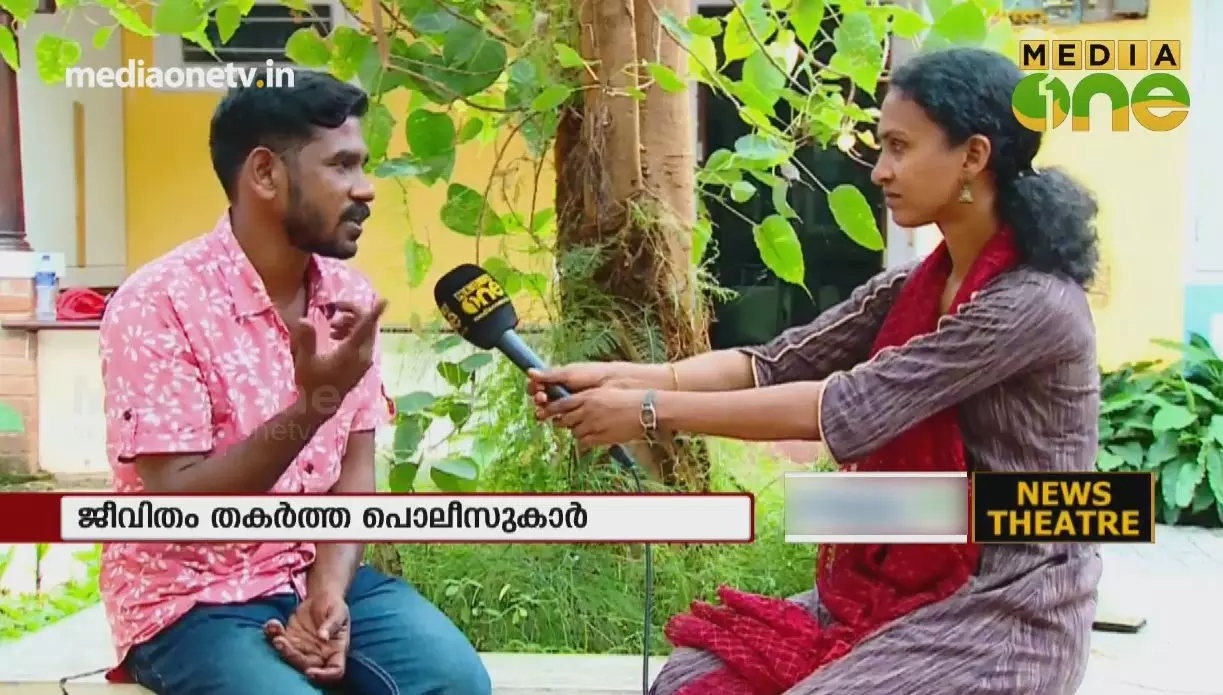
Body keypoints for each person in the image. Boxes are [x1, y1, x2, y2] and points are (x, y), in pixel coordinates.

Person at [528, 47, 1102, 695]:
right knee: (692, 678)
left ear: (972, 156)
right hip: (894, 580)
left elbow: (846, 407)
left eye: (899, 147)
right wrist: (623, 378)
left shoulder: (1032, 305)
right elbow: (771, 365)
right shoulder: (914, 286)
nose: (880, 171)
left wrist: (648, 412)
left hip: (1010, 606)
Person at [97, 69, 491, 695]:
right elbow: (178, 499)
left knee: (455, 681)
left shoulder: (348, 295)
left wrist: (329, 593)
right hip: (193, 601)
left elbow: (354, 475)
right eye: (341, 165)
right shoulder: (158, 303)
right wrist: (313, 406)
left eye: (363, 165)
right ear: (264, 173)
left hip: (310, 570)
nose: (366, 189)